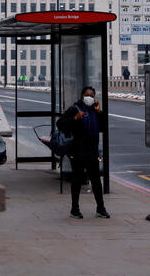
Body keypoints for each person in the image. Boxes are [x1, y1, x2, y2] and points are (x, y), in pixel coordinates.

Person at [57, 86, 109, 219]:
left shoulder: (95, 111)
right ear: (81, 96)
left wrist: (99, 113)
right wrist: (75, 118)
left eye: (92, 95)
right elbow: (60, 123)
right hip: (77, 150)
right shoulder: (74, 109)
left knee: (96, 180)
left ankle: (101, 208)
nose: (89, 97)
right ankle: (75, 209)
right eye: (87, 95)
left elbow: (103, 127)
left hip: (92, 150)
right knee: (77, 180)